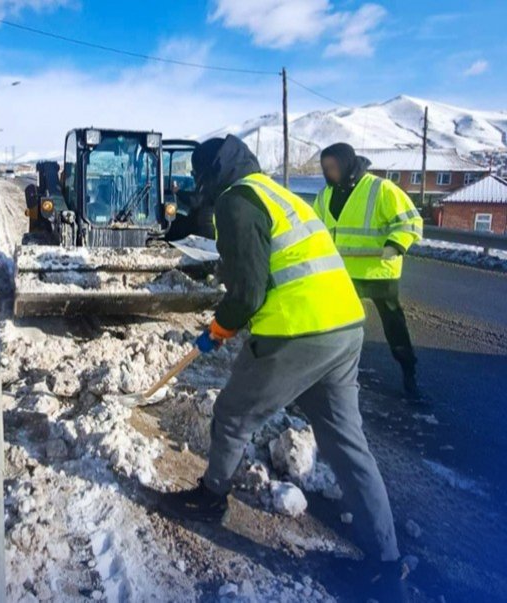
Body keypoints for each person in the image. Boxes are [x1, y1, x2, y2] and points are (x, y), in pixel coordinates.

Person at [158, 136, 406, 599]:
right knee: (348, 447)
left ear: (213, 172)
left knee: (233, 413)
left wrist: (218, 330)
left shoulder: (235, 200)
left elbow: (248, 295)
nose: (198, 184)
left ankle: (211, 499)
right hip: (346, 327)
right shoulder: (278, 192)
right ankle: (385, 565)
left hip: (299, 333)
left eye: (199, 175)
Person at [316, 143, 424, 399]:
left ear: (347, 164)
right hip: (342, 272)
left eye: (334, 167)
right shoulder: (325, 195)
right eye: (325, 168)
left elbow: (410, 221)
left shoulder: (380, 189)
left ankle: (408, 372)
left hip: (378, 272)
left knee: (393, 324)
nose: (330, 172)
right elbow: (315, 228)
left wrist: (396, 244)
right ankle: (334, 373)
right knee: (338, 325)